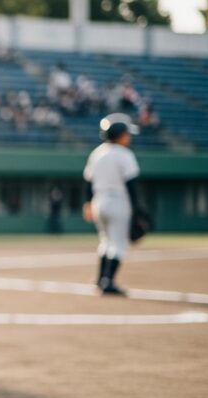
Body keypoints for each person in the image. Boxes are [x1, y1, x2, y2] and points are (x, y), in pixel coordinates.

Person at [83, 113, 141, 296]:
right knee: (118, 244)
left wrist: (88, 203)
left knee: (105, 241)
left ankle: (101, 279)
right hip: (118, 201)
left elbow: (88, 182)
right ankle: (109, 281)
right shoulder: (125, 154)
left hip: (99, 200)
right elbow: (131, 185)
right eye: (127, 134)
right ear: (120, 134)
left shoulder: (97, 153)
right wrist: (137, 209)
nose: (129, 137)